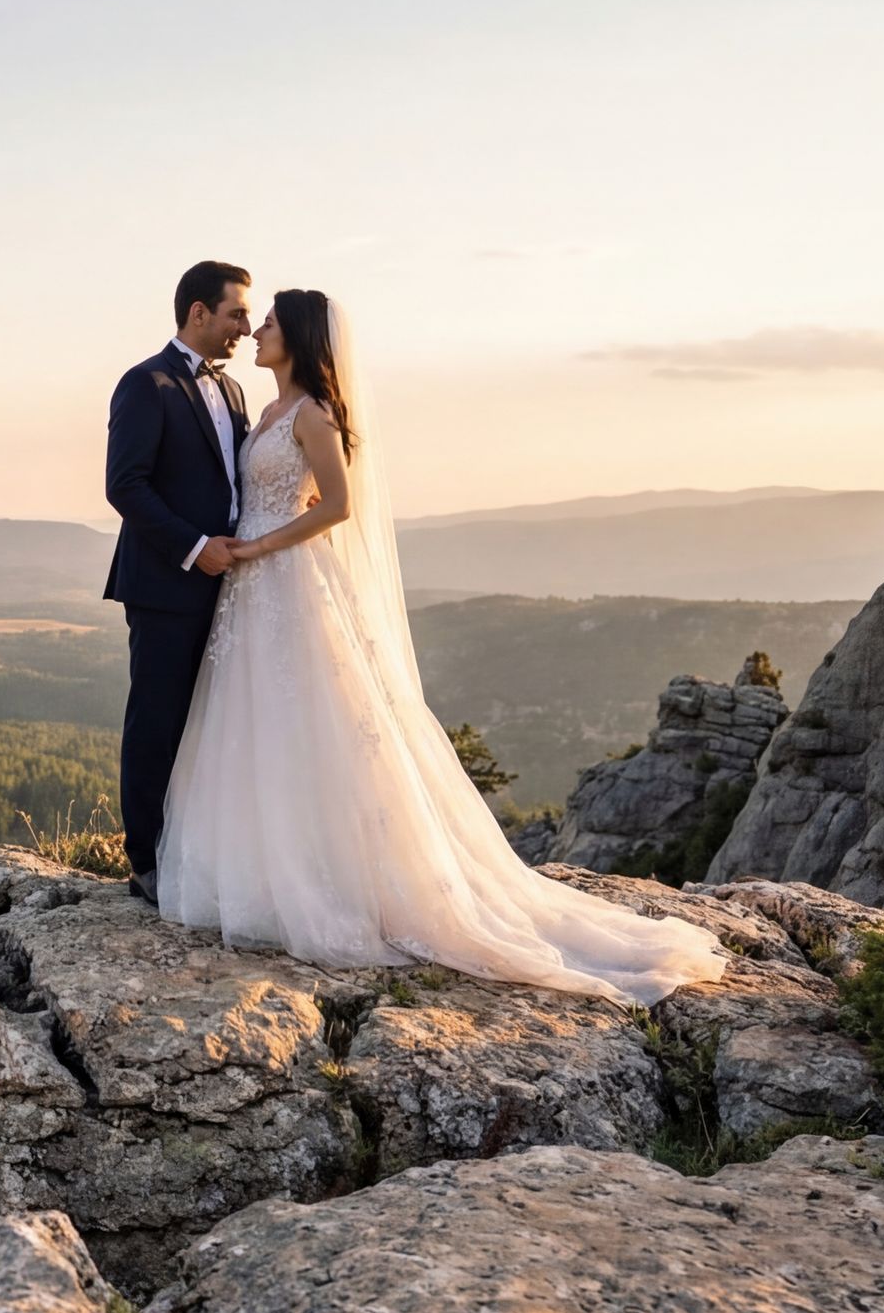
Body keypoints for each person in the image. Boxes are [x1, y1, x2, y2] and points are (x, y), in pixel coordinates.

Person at [149, 287, 726, 1004]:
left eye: (267, 320)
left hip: (290, 579)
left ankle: (342, 883)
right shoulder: (261, 410)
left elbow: (337, 505)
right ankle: (261, 872)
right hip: (249, 592)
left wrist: (263, 543)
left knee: (316, 724)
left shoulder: (313, 416)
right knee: (260, 726)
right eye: (253, 318)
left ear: (297, 336)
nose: (256, 329)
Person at [101, 260, 253, 904]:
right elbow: (124, 485)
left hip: (230, 587)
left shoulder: (236, 391)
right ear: (198, 313)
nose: (245, 327)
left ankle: (194, 852)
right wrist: (195, 550)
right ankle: (147, 864)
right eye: (235, 314)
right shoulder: (146, 384)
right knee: (157, 724)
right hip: (166, 585)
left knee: (211, 726)